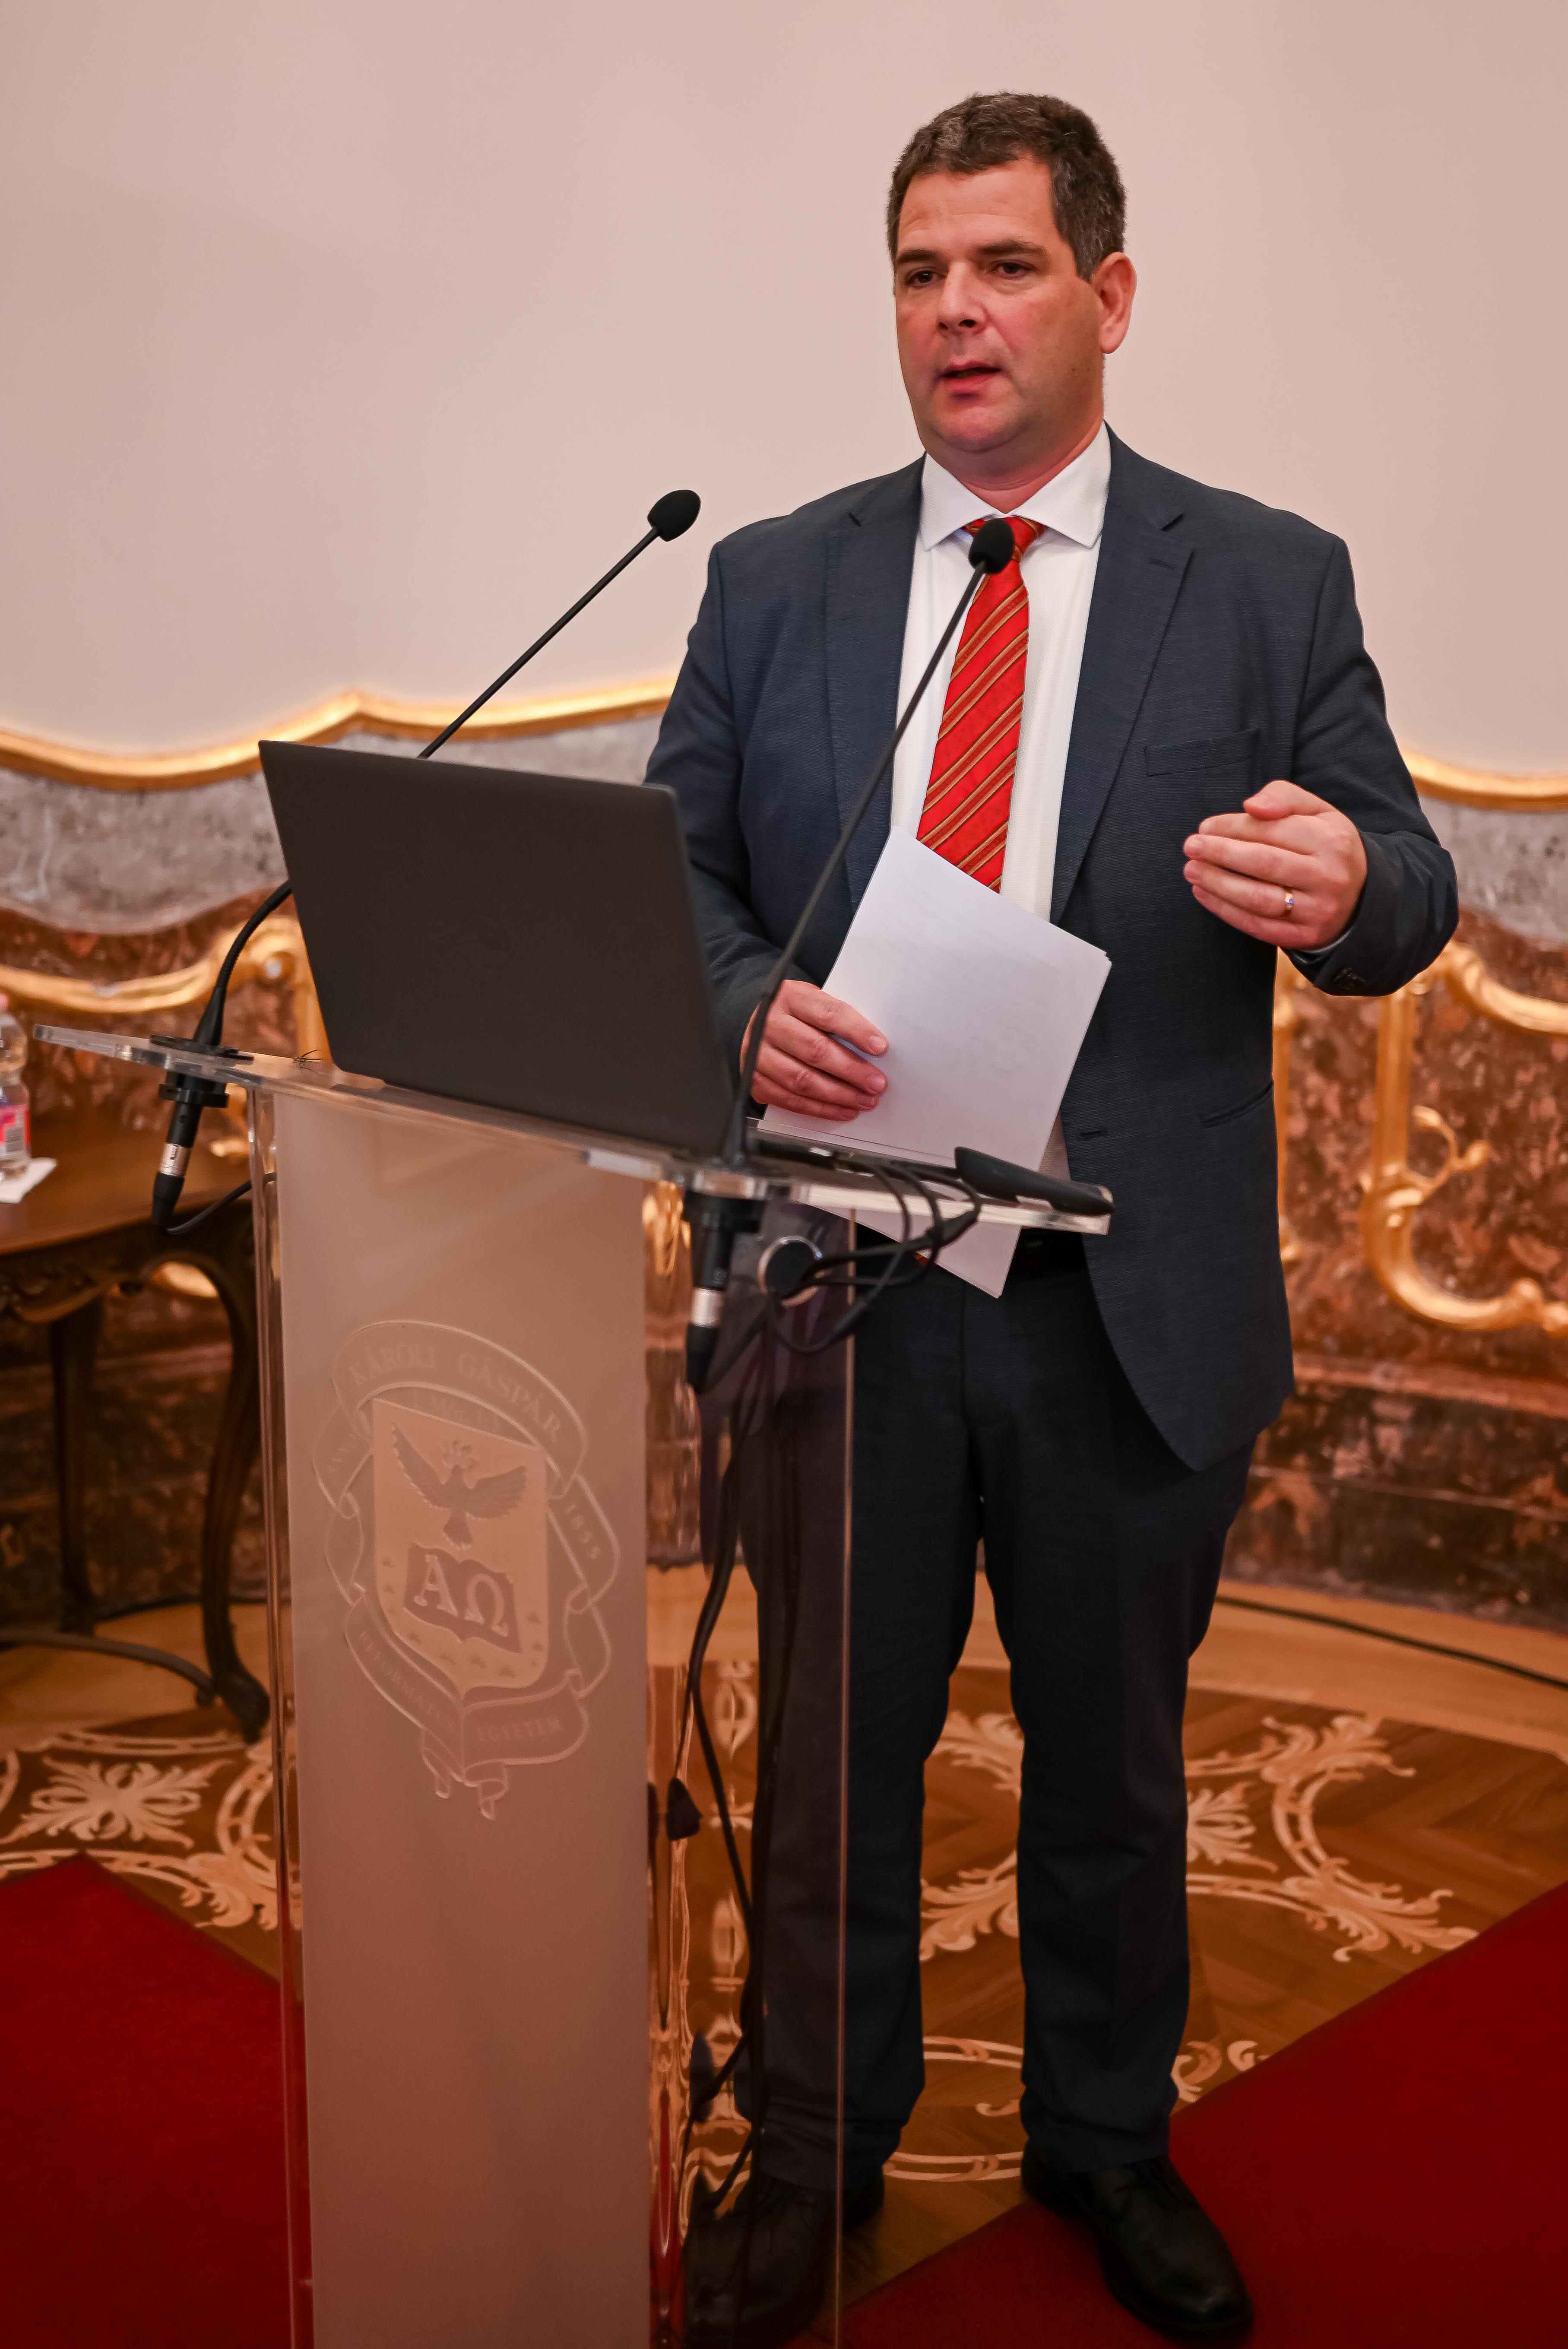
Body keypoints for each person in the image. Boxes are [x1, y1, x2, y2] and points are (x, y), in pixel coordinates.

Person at [649, 90, 1457, 2342]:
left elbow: (1405, 879)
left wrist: (1350, 886)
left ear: (1107, 294)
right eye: (920, 272)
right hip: (845, 1282)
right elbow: (680, 875)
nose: (956, 313)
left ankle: (1106, 2143)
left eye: (1003, 267)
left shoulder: (1265, 579)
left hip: (1124, 1296)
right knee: (833, 1766)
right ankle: (817, 2153)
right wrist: (746, 1007)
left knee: (1112, 1770)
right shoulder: (778, 579)